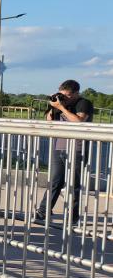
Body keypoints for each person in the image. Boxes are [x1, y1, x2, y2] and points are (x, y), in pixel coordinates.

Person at [35, 79, 93, 226]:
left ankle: (72, 217)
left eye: (67, 95)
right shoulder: (60, 103)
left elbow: (79, 121)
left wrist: (63, 108)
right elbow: (49, 121)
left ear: (75, 93)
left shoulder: (84, 103)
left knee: (74, 184)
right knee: (54, 182)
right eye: (62, 95)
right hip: (58, 146)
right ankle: (43, 211)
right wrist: (54, 107)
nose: (64, 98)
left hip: (77, 148)